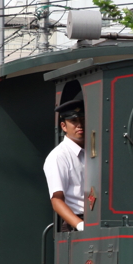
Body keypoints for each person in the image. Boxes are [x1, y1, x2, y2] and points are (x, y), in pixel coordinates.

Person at [44, 98, 85, 232]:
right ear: (63, 126)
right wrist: (80, 225)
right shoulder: (58, 156)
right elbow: (56, 200)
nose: (79, 125)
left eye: (82, 119)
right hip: (76, 224)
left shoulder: (93, 151)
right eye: (73, 121)